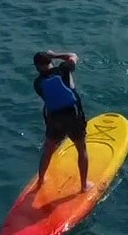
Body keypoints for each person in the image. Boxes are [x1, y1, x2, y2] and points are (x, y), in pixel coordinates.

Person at [32, 51, 90, 194]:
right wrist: (55, 55)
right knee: (81, 149)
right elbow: (74, 55)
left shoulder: (37, 83)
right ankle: (84, 186)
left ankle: (40, 181)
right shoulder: (63, 69)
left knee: (48, 150)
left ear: (37, 67)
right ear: (49, 61)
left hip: (55, 120)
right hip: (73, 116)